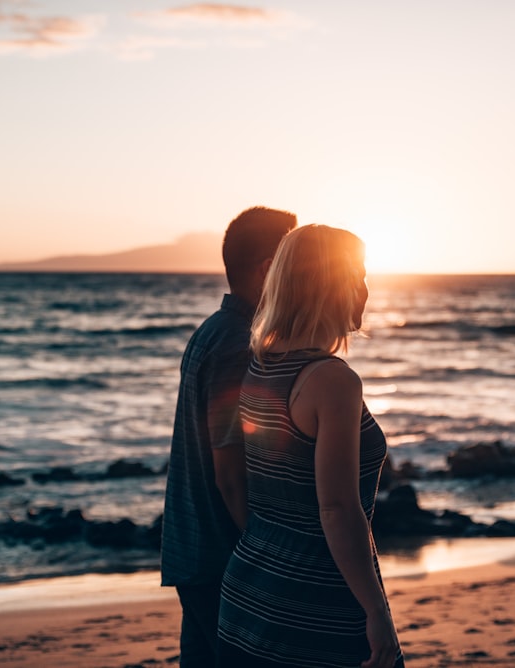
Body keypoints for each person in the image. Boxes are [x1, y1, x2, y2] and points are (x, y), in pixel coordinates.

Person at [217, 224, 405, 668]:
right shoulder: (333, 381)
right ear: (327, 285)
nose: (365, 288)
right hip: (314, 608)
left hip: (247, 597)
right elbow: (337, 509)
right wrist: (377, 611)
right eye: (356, 274)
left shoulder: (260, 365)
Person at [161, 206, 297, 668]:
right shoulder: (237, 344)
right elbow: (230, 471)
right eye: (291, 267)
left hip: (194, 548)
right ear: (266, 271)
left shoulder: (212, 332)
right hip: (223, 558)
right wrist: (263, 556)